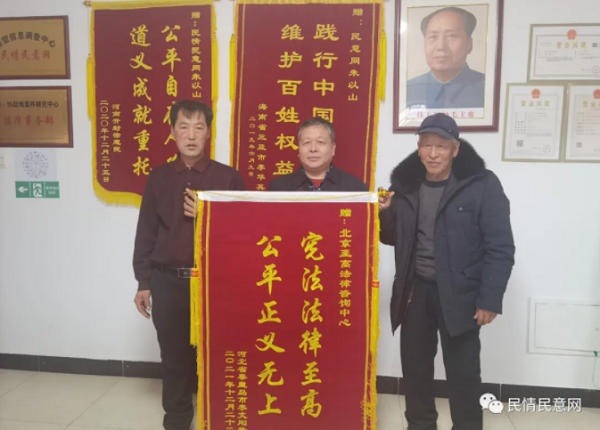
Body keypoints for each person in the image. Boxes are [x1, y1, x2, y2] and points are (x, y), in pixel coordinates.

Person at [378, 113, 515, 430]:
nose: (432, 153)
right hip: (415, 291)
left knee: (463, 372)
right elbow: (392, 237)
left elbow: (500, 247)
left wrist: (489, 299)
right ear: (418, 148)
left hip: (460, 294)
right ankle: (420, 425)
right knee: (415, 370)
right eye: (426, 145)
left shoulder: (481, 184)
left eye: (440, 146)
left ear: (455, 149)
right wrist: (385, 214)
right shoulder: (406, 186)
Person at [133, 100, 246, 430]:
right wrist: (143, 281)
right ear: (173, 132)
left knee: (217, 353)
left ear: (209, 133)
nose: (192, 135)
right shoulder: (159, 177)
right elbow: (146, 232)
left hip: (214, 282)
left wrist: (208, 214)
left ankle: (220, 417)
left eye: (199, 128)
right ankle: (178, 420)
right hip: (167, 280)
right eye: (184, 127)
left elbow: (246, 232)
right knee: (173, 356)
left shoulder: (228, 177)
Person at [406, 7, 485, 110]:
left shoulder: (486, 88)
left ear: (469, 45)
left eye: (451, 36)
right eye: (433, 37)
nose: (441, 46)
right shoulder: (408, 90)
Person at [268, 117, 368, 192]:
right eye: (307, 142)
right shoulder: (279, 187)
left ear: (333, 148)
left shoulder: (355, 188)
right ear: (299, 148)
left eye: (320, 142)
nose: (313, 149)